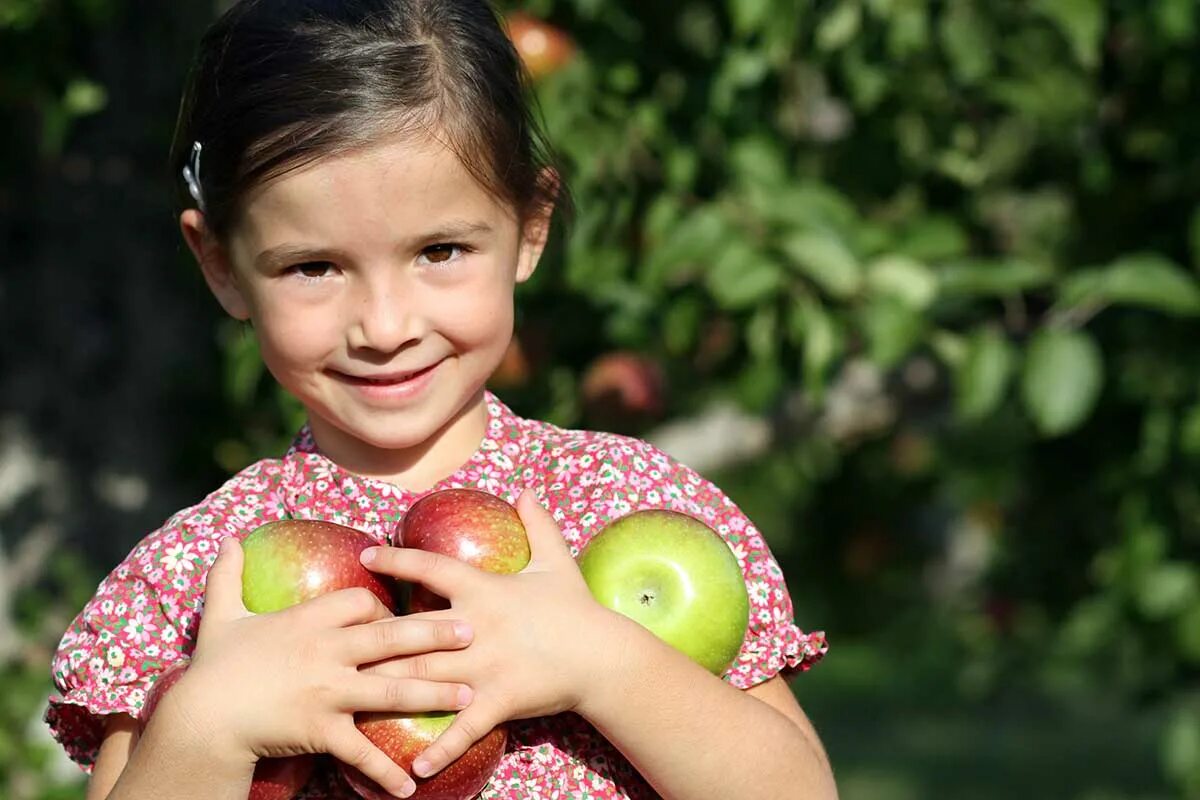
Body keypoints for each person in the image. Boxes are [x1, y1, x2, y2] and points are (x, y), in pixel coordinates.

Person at [45, 1, 836, 798]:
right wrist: (208, 724)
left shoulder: (626, 508)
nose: (384, 327)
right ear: (220, 264)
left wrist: (601, 660)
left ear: (530, 228)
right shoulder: (195, 581)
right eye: (313, 267)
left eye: (440, 250)